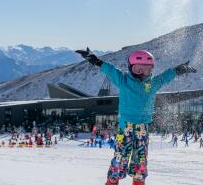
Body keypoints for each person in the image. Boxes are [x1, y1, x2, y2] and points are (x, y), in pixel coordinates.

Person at [76, 48, 196, 185]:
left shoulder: (152, 84)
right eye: (139, 69)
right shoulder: (124, 81)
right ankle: (112, 181)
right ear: (131, 68)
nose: (142, 74)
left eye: (147, 70)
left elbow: (165, 76)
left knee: (140, 160)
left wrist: (179, 69)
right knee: (119, 158)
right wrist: (95, 60)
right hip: (124, 127)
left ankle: (138, 181)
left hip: (142, 128)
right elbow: (110, 70)